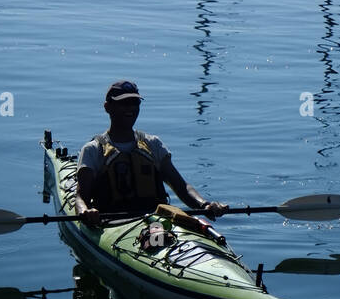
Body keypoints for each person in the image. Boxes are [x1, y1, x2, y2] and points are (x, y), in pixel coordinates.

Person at [75, 81, 228, 228]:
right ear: (107, 107)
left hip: (156, 221)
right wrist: (85, 211)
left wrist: (205, 204)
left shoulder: (153, 144)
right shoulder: (93, 150)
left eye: (135, 103)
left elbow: (181, 187)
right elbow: (81, 197)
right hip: (112, 222)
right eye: (124, 103)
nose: (131, 108)